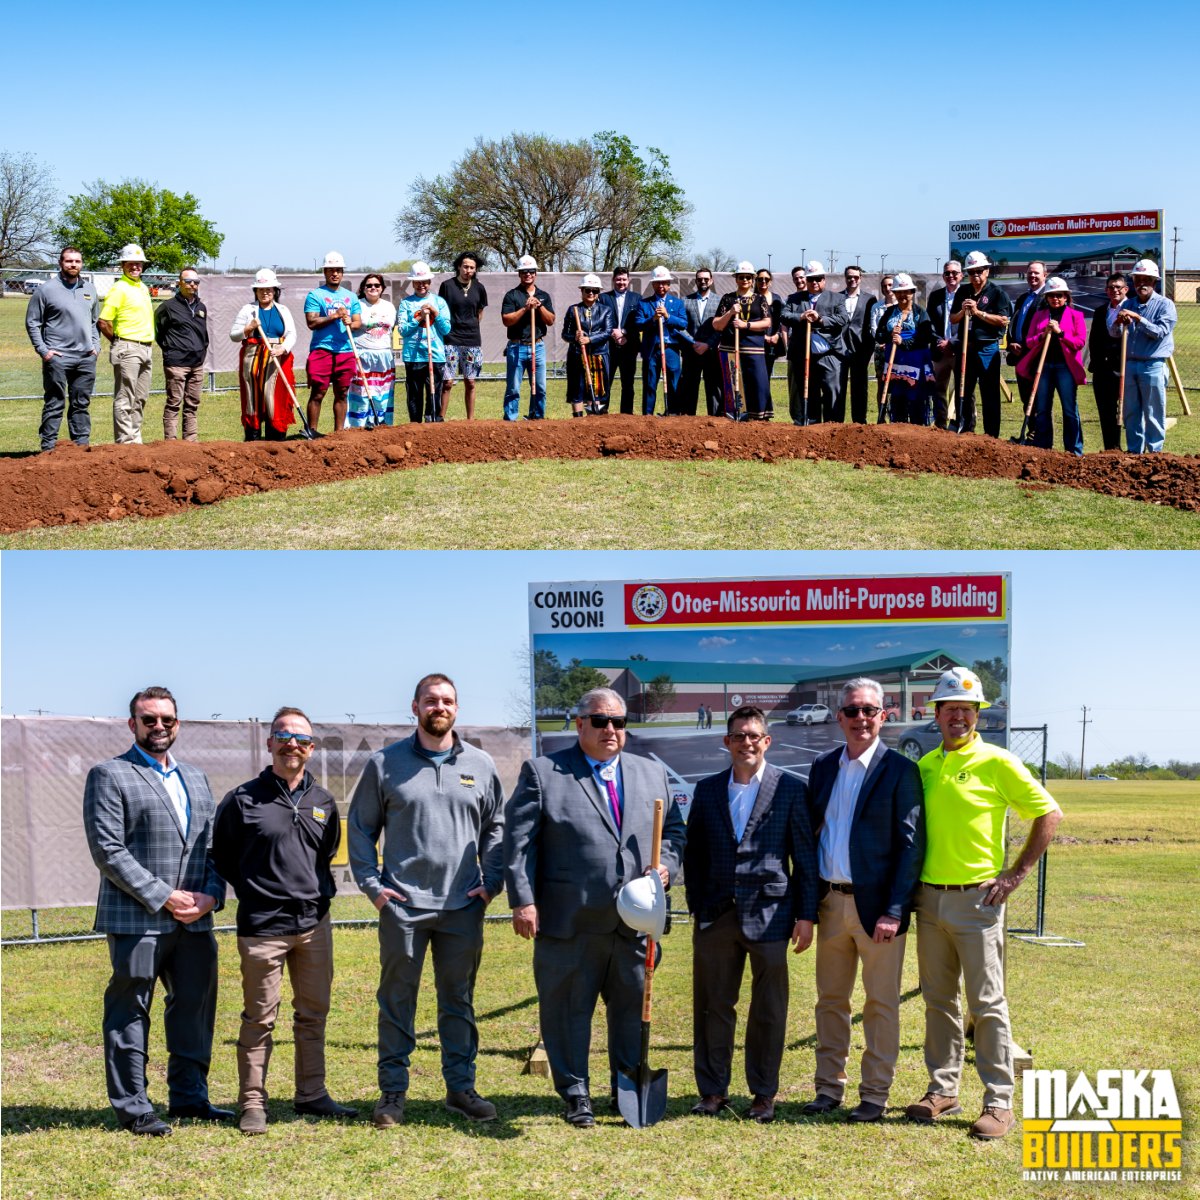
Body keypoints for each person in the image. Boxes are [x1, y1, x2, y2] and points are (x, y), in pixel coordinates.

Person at [504, 687, 686, 1128]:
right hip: (571, 919)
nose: (610, 730)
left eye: (618, 722)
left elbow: (675, 835)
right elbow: (518, 843)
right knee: (568, 1010)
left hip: (634, 923)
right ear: (579, 723)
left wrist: (665, 868)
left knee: (629, 1010)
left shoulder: (650, 773)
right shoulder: (544, 772)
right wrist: (523, 900)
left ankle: (625, 1088)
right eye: (601, 721)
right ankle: (575, 1092)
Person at [905, 667, 1062, 1140]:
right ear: (936, 714)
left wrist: (1015, 875)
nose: (958, 716)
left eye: (967, 710)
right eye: (949, 708)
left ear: (977, 716)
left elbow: (1049, 814)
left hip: (978, 901)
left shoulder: (998, 762)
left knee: (987, 1003)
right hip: (929, 901)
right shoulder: (925, 767)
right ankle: (943, 1089)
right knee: (938, 1001)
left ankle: (999, 1101)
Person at [348, 674, 505, 1129]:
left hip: (463, 905)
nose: (441, 707)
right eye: (432, 700)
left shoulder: (481, 763)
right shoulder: (385, 764)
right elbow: (360, 828)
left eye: (448, 700)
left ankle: (461, 1089)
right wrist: (373, 887)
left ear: (457, 708)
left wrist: (491, 881)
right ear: (414, 707)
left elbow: (496, 828)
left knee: (458, 1000)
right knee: (398, 1000)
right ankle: (392, 1094)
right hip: (404, 906)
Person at [82, 686, 229, 1136]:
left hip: (195, 920)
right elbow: (108, 849)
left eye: (167, 719)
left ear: (178, 723)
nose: (159, 727)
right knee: (130, 1011)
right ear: (133, 725)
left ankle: (190, 1098)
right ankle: (134, 1108)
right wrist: (164, 895)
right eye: (149, 720)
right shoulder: (109, 775)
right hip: (137, 917)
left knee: (194, 1009)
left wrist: (211, 895)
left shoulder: (198, 779)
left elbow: (211, 848)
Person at [212, 707, 354, 1135]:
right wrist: (258, 890)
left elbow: (325, 854)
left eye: (301, 738)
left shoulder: (323, 801)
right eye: (283, 735)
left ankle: (312, 1094)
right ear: (270, 744)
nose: (292, 743)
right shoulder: (243, 799)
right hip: (262, 929)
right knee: (259, 1019)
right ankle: (252, 1103)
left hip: (314, 926)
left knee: (313, 1013)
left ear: (311, 749)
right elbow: (223, 856)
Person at [684, 706, 817, 1123]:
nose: (746, 742)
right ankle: (712, 1091)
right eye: (739, 735)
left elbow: (805, 860)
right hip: (716, 915)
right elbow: (694, 854)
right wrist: (697, 906)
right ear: (727, 742)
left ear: (766, 741)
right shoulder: (706, 791)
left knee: (769, 1009)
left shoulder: (791, 790)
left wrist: (805, 914)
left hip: (772, 914)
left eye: (754, 735)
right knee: (713, 1005)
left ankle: (763, 1093)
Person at [800, 679, 923, 1123]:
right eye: (852, 711)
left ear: (883, 716)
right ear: (840, 717)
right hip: (830, 903)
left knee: (880, 1003)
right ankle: (828, 1089)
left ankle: (874, 1094)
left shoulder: (901, 771)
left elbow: (911, 848)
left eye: (869, 710)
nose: (861, 719)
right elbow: (812, 837)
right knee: (830, 1001)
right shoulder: (822, 766)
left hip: (878, 913)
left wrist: (894, 910)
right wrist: (807, 907)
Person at [24, 245, 99, 450]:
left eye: (77, 261)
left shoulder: (89, 289)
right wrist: (45, 352)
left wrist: (95, 347)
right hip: (58, 357)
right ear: (61, 263)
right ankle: (48, 448)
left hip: (85, 357)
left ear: (81, 264)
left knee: (81, 404)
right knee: (55, 402)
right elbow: (33, 322)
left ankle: (81, 446)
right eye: (69, 261)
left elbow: (94, 321)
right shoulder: (46, 290)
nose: (73, 264)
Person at [1110, 258, 1177, 454]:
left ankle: (1155, 454)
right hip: (1130, 365)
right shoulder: (1128, 303)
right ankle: (1134, 453)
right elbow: (1114, 334)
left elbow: (1159, 332)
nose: (1141, 284)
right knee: (1131, 413)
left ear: (1154, 282)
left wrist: (1139, 319)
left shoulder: (1166, 305)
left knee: (1154, 412)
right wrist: (1117, 323)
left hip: (1153, 365)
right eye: (1138, 280)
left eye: (1146, 280)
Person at [1017, 277, 1087, 455]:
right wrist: (1042, 335)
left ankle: (1073, 449)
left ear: (1066, 297)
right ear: (1046, 297)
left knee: (1070, 409)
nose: (1055, 298)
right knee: (1042, 409)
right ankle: (1043, 446)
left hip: (1065, 368)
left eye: (1059, 295)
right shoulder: (1039, 316)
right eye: (1051, 295)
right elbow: (1029, 341)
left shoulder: (1075, 316)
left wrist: (1061, 333)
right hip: (1044, 367)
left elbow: (1079, 342)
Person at [949, 251, 1013, 437]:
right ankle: (966, 428)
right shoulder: (963, 291)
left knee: (990, 393)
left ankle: (991, 435)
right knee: (964, 390)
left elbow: (1003, 320)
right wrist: (963, 312)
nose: (975, 276)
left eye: (979, 271)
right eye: (971, 272)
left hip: (987, 348)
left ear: (987, 270)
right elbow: (953, 319)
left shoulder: (997, 293)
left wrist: (978, 313)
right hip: (966, 348)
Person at [230, 269, 298, 441]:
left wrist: (283, 348)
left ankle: (275, 436)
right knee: (252, 396)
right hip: (253, 358)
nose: (265, 292)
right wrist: (248, 328)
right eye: (261, 289)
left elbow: (292, 334)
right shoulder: (248, 310)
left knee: (274, 396)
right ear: (256, 291)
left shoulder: (283, 310)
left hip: (276, 357)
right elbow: (234, 335)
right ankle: (252, 437)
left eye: (269, 289)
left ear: (275, 290)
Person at [97, 244, 154, 444]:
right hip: (128, 346)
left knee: (140, 398)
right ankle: (125, 442)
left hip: (146, 347)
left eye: (138, 264)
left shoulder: (143, 287)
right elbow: (104, 322)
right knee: (125, 397)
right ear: (123, 265)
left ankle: (135, 439)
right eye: (131, 263)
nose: (135, 267)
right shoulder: (119, 288)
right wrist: (119, 341)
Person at [781, 261, 849, 425]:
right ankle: (812, 424)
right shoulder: (795, 299)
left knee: (832, 391)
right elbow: (784, 316)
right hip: (803, 355)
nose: (815, 283)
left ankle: (833, 425)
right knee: (809, 392)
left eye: (818, 279)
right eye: (811, 279)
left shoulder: (837, 298)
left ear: (824, 279)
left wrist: (820, 319)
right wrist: (801, 317)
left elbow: (842, 319)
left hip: (829, 353)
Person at [304, 251, 362, 433]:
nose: (335, 273)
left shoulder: (351, 297)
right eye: (331, 270)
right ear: (325, 272)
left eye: (338, 270)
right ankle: (311, 431)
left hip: (345, 350)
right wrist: (335, 315)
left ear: (342, 272)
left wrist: (350, 323)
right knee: (318, 392)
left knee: (342, 392)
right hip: (322, 349)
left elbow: (358, 322)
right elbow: (311, 322)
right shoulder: (315, 295)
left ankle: (339, 433)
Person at [153, 267, 209, 441]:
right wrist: (170, 350)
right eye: (188, 281)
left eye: (195, 282)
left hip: (197, 364)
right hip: (176, 363)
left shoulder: (201, 307)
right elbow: (158, 331)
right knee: (174, 403)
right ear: (179, 283)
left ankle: (190, 442)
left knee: (192, 404)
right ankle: (171, 443)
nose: (192, 285)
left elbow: (203, 333)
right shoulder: (168, 307)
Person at [712, 262, 773, 420]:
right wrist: (731, 313)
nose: (745, 279)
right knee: (732, 383)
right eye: (741, 277)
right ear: (736, 279)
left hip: (754, 348)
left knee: (758, 383)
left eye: (748, 277)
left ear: (752, 279)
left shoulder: (760, 299)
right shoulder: (728, 298)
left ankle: (759, 417)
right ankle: (734, 415)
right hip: (730, 348)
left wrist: (746, 325)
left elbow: (767, 323)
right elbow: (717, 325)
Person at [874, 274, 935, 425]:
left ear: (912, 292)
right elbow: (879, 335)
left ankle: (917, 430)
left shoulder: (920, 313)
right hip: (896, 363)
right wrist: (890, 335)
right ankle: (898, 430)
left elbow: (927, 336)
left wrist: (904, 342)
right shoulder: (889, 313)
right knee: (898, 399)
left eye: (906, 291)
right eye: (899, 292)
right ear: (894, 293)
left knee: (916, 400)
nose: (903, 295)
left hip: (916, 362)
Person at [500, 255, 555, 421]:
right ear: (519, 274)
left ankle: (536, 417)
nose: (528, 274)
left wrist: (539, 306)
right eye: (524, 271)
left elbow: (551, 320)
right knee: (513, 387)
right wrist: (525, 308)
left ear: (536, 273)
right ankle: (510, 419)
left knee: (539, 387)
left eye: (531, 271)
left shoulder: (543, 295)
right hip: (517, 347)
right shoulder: (512, 295)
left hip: (537, 347)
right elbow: (506, 320)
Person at [397, 262, 451, 423]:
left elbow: (446, 329)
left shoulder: (439, 302)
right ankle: (415, 426)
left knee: (434, 393)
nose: (422, 285)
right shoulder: (406, 303)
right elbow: (402, 330)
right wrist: (419, 318)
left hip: (435, 355)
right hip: (413, 357)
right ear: (412, 283)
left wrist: (435, 313)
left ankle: (432, 422)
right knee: (414, 394)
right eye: (418, 282)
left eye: (425, 281)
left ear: (430, 282)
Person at [438, 252, 488, 419]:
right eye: (465, 266)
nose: (468, 270)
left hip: (472, 339)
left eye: (472, 268)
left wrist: (471, 327)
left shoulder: (479, 287)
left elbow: (479, 312)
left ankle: (470, 421)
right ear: (459, 266)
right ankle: (440, 418)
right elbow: (442, 311)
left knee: (470, 382)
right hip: (450, 338)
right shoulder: (447, 286)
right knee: (447, 382)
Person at [637, 265, 687, 415]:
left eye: (664, 283)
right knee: (650, 383)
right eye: (658, 283)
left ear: (669, 284)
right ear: (653, 284)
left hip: (670, 348)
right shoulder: (644, 303)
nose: (661, 286)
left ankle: (672, 412)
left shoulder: (677, 303)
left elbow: (683, 324)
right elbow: (639, 324)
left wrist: (668, 316)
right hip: (652, 349)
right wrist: (652, 318)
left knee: (673, 382)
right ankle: (648, 415)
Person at [561, 274, 613, 416]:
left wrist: (589, 339)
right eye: (588, 290)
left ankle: (593, 419)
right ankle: (578, 420)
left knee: (596, 388)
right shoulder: (573, 310)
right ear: (582, 291)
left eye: (595, 290)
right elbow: (565, 334)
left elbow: (607, 332)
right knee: (577, 388)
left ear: (598, 293)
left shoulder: (606, 310)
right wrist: (575, 338)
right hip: (577, 355)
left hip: (598, 355)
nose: (591, 293)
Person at [348, 273, 396, 427]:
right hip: (362, 355)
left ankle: (381, 423)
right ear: (363, 288)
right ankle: (358, 426)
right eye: (369, 285)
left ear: (382, 288)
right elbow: (353, 324)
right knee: (361, 393)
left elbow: (390, 324)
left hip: (383, 356)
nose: (373, 288)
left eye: (377, 285)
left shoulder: (389, 306)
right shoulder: (357, 305)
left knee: (382, 393)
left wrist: (369, 322)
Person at [1087, 273, 1128, 451]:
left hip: (1126, 368)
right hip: (1103, 370)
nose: (1114, 291)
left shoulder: (1133, 308)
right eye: (1111, 287)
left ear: (1125, 289)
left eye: (1118, 287)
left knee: (1128, 412)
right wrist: (1097, 364)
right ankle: (1111, 448)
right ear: (1106, 290)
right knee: (1106, 412)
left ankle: (1134, 449)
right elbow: (1094, 340)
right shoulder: (1100, 311)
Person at [1006, 261, 1046, 414]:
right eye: (1030, 273)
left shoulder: (1047, 298)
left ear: (1045, 275)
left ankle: (1038, 436)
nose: (1033, 276)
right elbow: (1014, 322)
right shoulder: (1023, 298)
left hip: (1036, 356)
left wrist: (1027, 345)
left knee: (1037, 400)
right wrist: (1012, 343)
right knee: (1026, 397)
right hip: (1019, 355)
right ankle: (1030, 434)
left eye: (1036, 273)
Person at [680, 268, 722, 416]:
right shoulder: (685, 300)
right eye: (699, 279)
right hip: (691, 352)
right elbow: (680, 326)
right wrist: (693, 342)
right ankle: (688, 419)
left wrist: (708, 344)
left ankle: (716, 418)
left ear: (711, 280)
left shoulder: (719, 301)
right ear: (696, 281)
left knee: (713, 387)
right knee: (689, 387)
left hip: (711, 353)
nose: (703, 281)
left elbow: (721, 328)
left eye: (706, 279)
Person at [599, 267, 641, 414]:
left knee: (628, 383)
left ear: (628, 281)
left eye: (624, 279)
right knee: (606, 381)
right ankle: (602, 412)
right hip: (608, 348)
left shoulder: (637, 298)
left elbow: (638, 322)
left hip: (629, 347)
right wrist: (612, 333)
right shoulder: (603, 298)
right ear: (613, 280)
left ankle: (627, 414)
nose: (621, 282)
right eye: (618, 279)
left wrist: (624, 333)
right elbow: (600, 320)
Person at [839, 266, 877, 424]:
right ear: (845, 278)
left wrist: (868, 349)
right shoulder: (837, 297)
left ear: (860, 278)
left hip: (860, 350)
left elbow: (871, 324)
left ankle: (860, 421)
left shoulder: (870, 299)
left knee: (860, 387)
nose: (852, 279)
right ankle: (836, 420)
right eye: (849, 277)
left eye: (855, 277)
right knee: (838, 387)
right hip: (840, 349)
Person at [926, 262, 962, 429]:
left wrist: (952, 342)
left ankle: (961, 423)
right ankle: (941, 423)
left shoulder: (966, 295)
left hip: (959, 350)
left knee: (963, 390)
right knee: (938, 389)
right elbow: (930, 322)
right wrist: (939, 341)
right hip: (940, 350)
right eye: (947, 273)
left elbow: (969, 325)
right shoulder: (935, 296)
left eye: (955, 273)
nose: (951, 276)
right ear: (943, 276)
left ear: (961, 275)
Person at [755, 268, 784, 416]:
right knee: (755, 378)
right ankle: (755, 410)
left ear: (770, 281)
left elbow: (782, 321)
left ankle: (766, 411)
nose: (763, 282)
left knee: (765, 378)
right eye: (760, 279)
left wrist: (777, 335)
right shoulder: (752, 298)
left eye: (766, 279)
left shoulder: (777, 298)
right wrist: (763, 337)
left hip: (772, 346)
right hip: (754, 343)